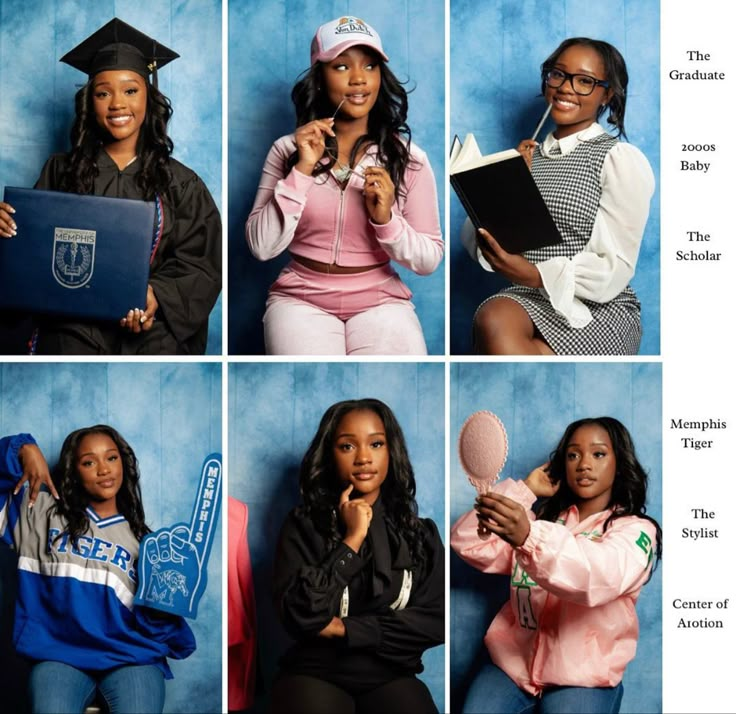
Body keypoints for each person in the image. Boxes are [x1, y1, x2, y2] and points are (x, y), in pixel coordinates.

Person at [0, 18, 221, 355]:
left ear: (149, 97)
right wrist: (6, 229)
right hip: (74, 323)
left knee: (157, 349)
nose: (117, 103)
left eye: (131, 90)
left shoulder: (181, 183)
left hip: (149, 324)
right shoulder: (60, 170)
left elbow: (200, 263)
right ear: (90, 102)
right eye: (103, 93)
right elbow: (32, 251)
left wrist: (155, 296)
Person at [246, 16, 443, 355]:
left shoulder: (410, 160)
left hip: (381, 301)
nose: (358, 79)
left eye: (370, 66)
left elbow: (428, 260)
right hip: (300, 299)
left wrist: (386, 221)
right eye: (341, 66)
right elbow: (261, 247)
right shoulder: (286, 150)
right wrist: (302, 170)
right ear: (319, 78)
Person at [451, 417, 661, 713]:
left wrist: (527, 536)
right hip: (512, 665)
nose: (584, 464)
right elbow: (467, 541)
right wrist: (526, 490)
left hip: (584, 677)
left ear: (620, 463)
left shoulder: (637, 532)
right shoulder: (543, 522)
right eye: (573, 454)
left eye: (598, 454)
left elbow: (598, 576)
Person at [462, 38, 654, 355]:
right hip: (529, 298)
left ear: (606, 94)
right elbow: (476, 239)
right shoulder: (522, 158)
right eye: (558, 74)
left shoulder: (618, 158)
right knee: (492, 317)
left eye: (584, 81)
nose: (566, 88)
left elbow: (615, 264)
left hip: (600, 306)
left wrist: (537, 274)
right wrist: (507, 183)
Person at [0, 426, 195, 713]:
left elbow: (168, 634)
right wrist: (23, 450)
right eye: (89, 462)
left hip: (131, 659)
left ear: (124, 465)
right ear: (73, 470)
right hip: (60, 656)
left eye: (111, 458)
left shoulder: (148, 546)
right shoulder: (39, 511)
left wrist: (166, 605)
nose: (103, 469)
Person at [271, 399, 444, 713]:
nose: (364, 458)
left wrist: (344, 629)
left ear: (391, 450)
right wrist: (351, 541)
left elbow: (435, 622)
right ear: (330, 455)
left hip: (391, 675)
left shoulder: (421, 535)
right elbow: (300, 616)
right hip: (316, 672)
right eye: (347, 446)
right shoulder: (303, 526)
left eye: (376, 443)